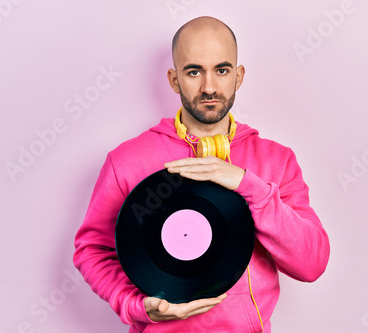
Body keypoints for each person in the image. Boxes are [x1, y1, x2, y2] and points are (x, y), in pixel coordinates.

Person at [73, 16, 330, 333]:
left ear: (238, 77)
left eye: (221, 71)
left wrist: (250, 187)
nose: (209, 87)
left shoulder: (278, 161)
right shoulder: (127, 161)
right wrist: (136, 307)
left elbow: (312, 264)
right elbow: (92, 250)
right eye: (194, 72)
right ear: (174, 79)